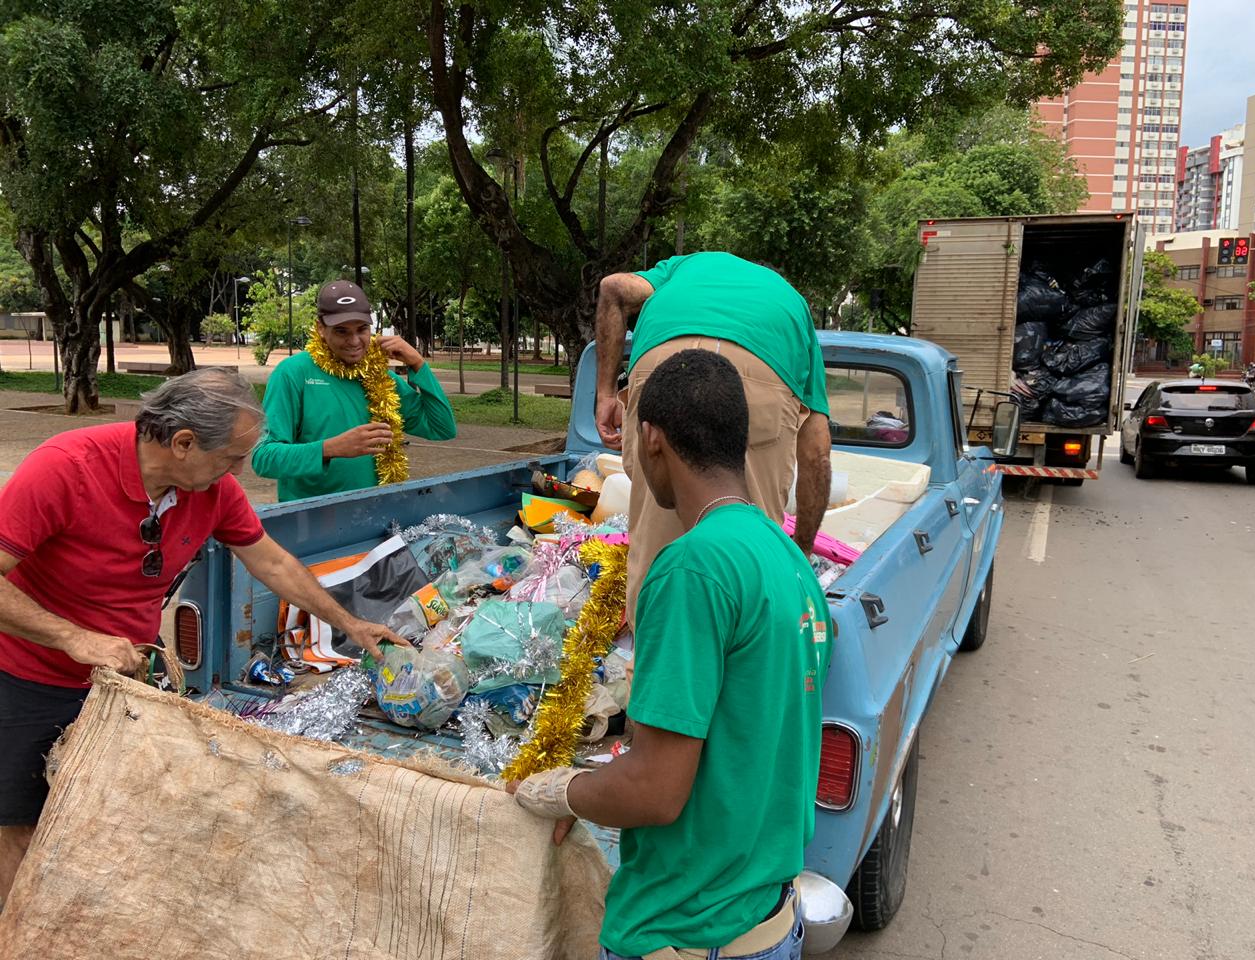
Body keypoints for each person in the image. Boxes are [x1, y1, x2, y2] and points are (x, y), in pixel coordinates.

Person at [0, 368, 409, 905]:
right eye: (231, 458)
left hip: (121, 682)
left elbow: (273, 562)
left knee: (98, 813)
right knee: (20, 825)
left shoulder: (211, 488)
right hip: (28, 678)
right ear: (183, 443)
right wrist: (72, 637)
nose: (240, 471)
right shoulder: (65, 467)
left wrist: (349, 622)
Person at [511, 350, 831, 960]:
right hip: (763, 916)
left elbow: (655, 792)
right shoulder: (785, 556)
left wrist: (567, 789)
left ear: (651, 437)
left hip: (683, 931)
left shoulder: (691, 569)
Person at [593, 252, 832, 624]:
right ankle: (749, 656)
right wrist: (798, 556)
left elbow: (613, 289)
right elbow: (817, 454)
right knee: (749, 545)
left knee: (658, 539)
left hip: (663, 364)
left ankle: (656, 663)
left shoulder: (679, 269)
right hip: (761, 370)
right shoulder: (790, 302)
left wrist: (606, 394)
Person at [253, 280, 457, 502]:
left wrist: (418, 364)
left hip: (378, 510)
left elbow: (442, 428)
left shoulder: (380, 377)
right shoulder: (293, 373)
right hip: (313, 519)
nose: (354, 341)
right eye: (341, 331)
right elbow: (264, 458)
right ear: (320, 328)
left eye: (362, 330)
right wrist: (330, 448)